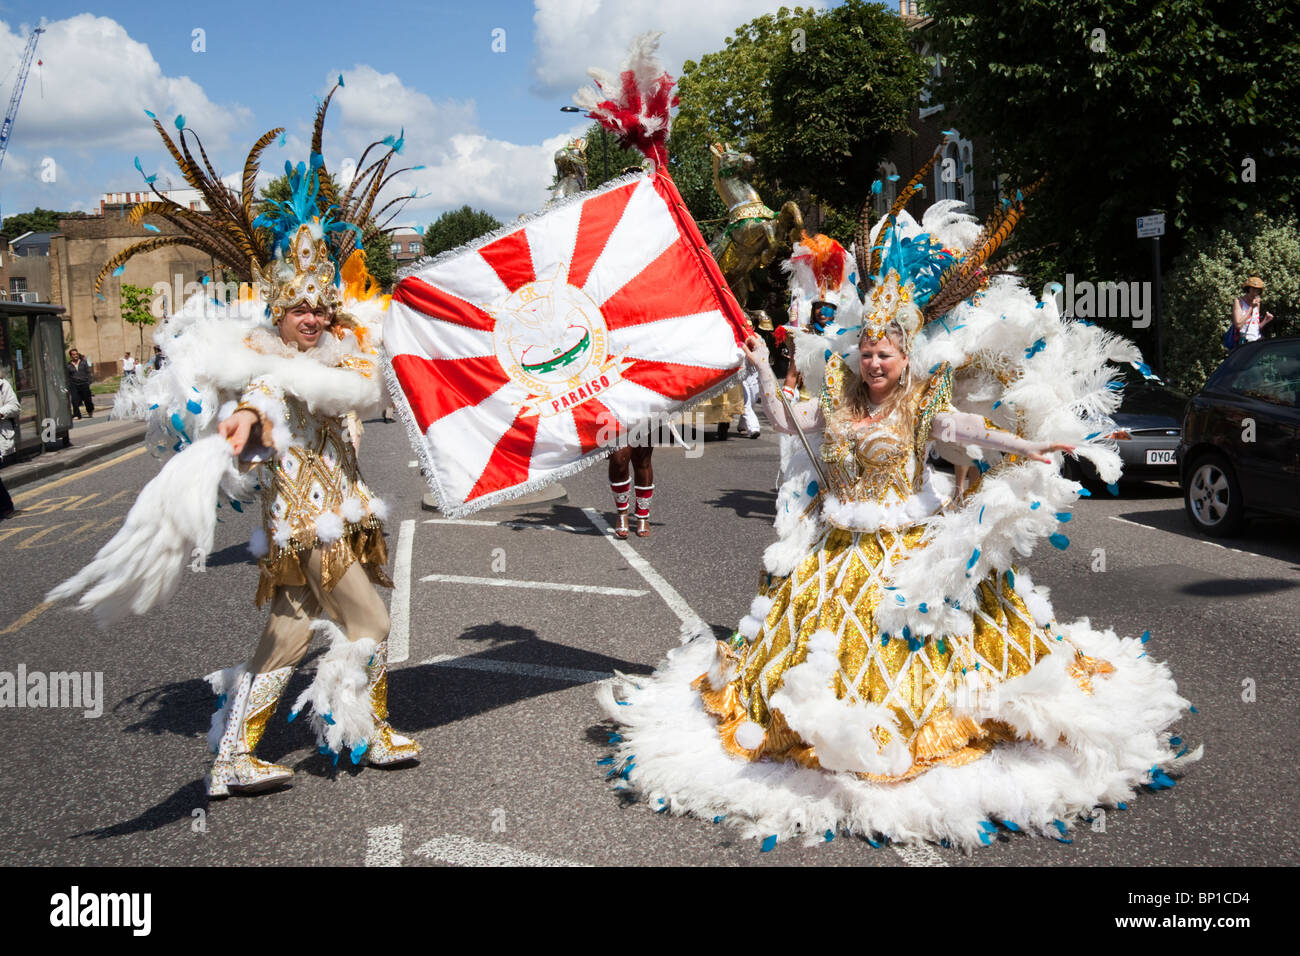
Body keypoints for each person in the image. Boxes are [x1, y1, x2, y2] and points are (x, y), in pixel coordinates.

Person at [599, 177, 1198, 850]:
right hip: (836, 550)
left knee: (929, 650)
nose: (875, 361)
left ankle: (926, 734)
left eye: (886, 353)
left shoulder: (919, 403)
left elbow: (969, 430)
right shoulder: (834, 399)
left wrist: (1031, 442)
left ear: (905, 357)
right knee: (819, 659)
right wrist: (764, 370)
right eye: (868, 351)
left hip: (913, 549)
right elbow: (782, 421)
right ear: (856, 354)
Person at [47, 88, 423, 796]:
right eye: (298, 308)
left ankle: (234, 758)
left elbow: (368, 371)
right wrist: (241, 426)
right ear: (277, 310)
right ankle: (360, 735)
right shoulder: (269, 371)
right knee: (370, 619)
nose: (310, 318)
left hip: (326, 518)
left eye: (319, 307)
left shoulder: (337, 361)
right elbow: (257, 400)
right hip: (313, 526)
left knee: (286, 634)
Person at [1230, 275, 1274, 347]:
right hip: (1243, 341)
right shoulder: (1239, 301)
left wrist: (1265, 320)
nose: (1255, 294)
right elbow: (1238, 325)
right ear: (1247, 289)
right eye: (1253, 290)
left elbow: (1255, 327)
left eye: (1258, 291)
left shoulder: (1257, 303)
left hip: (1256, 339)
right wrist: (1251, 308)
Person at [0, 373, 18, 519]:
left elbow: (14, 406)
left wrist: (0, 412)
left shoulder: (2, 385)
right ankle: (5, 505)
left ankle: (6, 506)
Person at [66, 349, 94, 419]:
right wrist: (69, 385)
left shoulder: (83, 363)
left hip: (84, 384)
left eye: (76, 354)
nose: (76, 355)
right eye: (74, 354)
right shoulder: (68, 365)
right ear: (71, 356)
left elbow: (88, 373)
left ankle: (90, 410)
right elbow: (67, 376)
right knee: (74, 400)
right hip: (74, 385)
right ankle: (77, 414)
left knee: (87, 400)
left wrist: (88, 382)